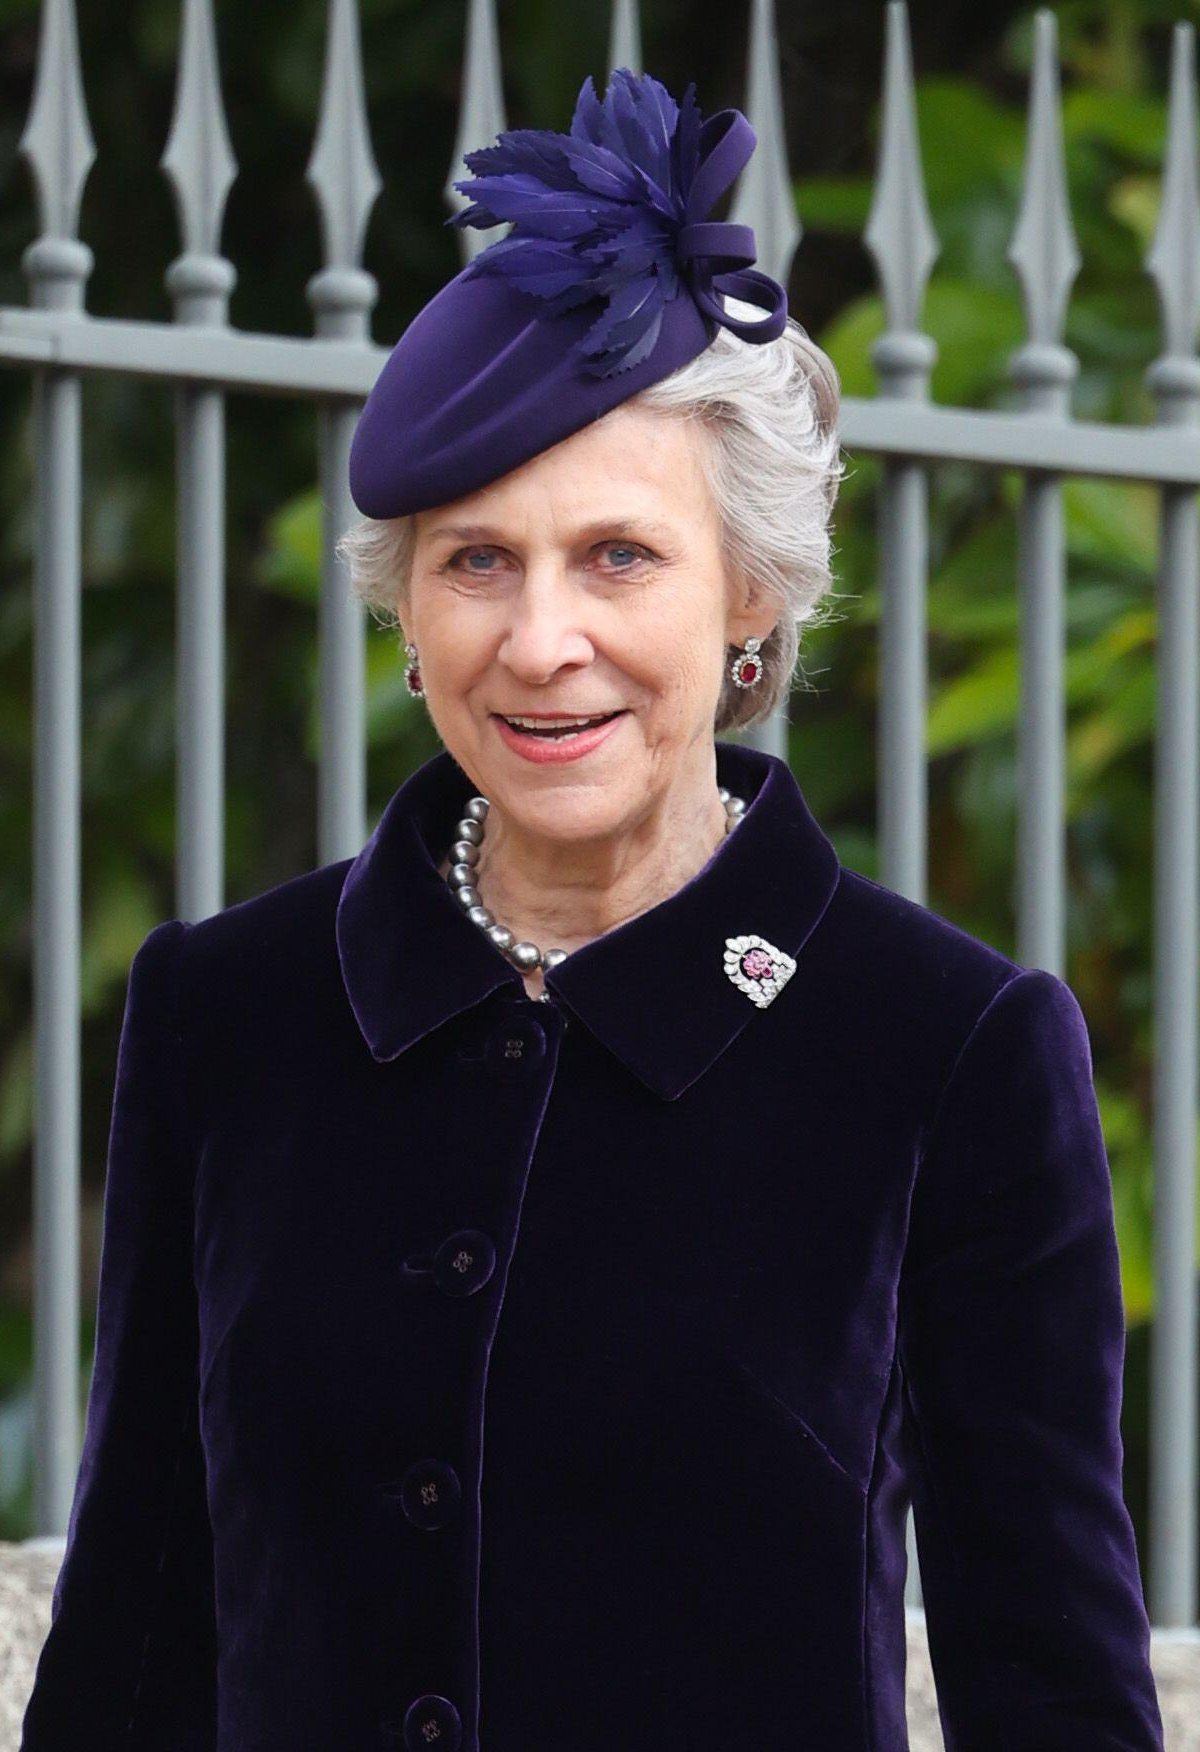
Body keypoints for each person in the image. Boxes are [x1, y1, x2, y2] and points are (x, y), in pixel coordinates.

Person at [20, 66, 1164, 1752]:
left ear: (752, 600)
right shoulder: (225, 1012)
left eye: (620, 558)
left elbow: (1051, 1685)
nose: (540, 640)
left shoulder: (950, 1052)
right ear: (405, 608)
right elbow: (134, 1633)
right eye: (476, 559)